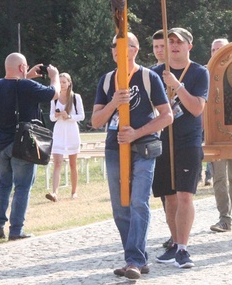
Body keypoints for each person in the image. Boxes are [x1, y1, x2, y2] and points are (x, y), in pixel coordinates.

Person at [92, 32, 173, 279]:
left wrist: (137, 132)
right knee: (120, 207)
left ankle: (135, 260)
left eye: (122, 47)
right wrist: (114, 102)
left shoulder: (149, 78)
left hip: (144, 147)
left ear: (135, 50)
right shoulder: (107, 81)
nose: (117, 51)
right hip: (115, 147)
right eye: (114, 47)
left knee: (139, 201)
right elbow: (96, 121)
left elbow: (167, 116)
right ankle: (136, 258)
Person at [152, 28, 209, 269]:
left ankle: (184, 249)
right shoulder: (155, 73)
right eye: (170, 42)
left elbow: (197, 108)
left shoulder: (198, 72)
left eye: (179, 42)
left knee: (185, 194)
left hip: (188, 140)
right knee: (169, 197)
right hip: (162, 140)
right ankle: (175, 243)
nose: (174, 46)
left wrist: (177, 86)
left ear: (189, 46)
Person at [0, 54, 59, 241]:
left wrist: (27, 75)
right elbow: (54, 93)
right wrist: (54, 77)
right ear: (21, 68)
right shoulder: (26, 86)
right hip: (22, 143)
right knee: (22, 186)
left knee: (2, 185)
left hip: (1, 143)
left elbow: (14, 87)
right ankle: (16, 229)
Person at [208, 38, 232, 233]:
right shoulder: (207, 75)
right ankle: (225, 217)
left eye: (221, 50)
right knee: (219, 178)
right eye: (214, 50)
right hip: (216, 136)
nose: (217, 53)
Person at [46, 73, 85, 202]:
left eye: (64, 82)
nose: (62, 84)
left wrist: (69, 116)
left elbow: (82, 116)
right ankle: (54, 193)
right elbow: (51, 117)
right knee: (57, 162)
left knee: (73, 164)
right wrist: (57, 115)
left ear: (69, 83)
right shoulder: (55, 98)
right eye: (60, 82)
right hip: (59, 133)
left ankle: (74, 192)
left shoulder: (75, 97)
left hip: (72, 132)